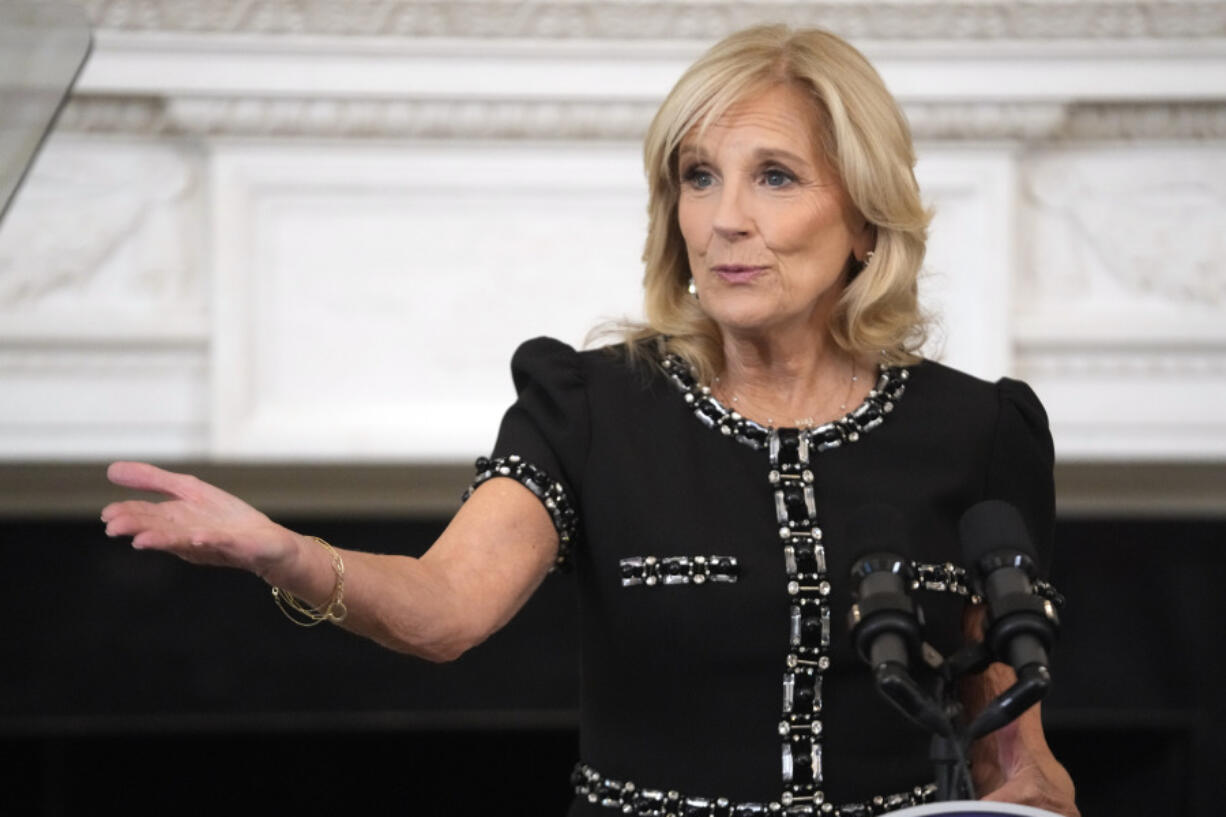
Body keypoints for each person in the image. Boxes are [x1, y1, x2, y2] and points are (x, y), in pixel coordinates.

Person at [102, 24, 1078, 817]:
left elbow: (1001, 720)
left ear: (863, 216)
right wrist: (288, 554)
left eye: (773, 175)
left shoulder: (977, 430)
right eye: (697, 176)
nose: (724, 218)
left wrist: (1027, 787)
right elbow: (446, 609)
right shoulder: (590, 408)